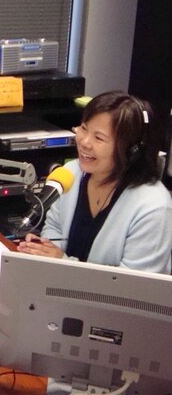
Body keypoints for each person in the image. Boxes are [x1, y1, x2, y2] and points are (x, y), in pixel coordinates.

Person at [18, 90, 172, 273]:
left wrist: (63, 263)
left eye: (99, 138)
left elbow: (133, 289)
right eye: (83, 128)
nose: (84, 142)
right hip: (61, 290)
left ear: (132, 151)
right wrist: (43, 250)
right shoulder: (71, 174)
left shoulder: (153, 207)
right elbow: (53, 228)